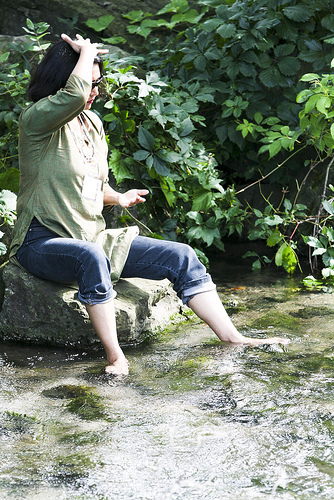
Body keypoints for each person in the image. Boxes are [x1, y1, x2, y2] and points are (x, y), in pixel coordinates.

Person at [9, 34, 288, 376]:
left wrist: (117, 197)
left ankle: (233, 338)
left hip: (90, 236)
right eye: (89, 82)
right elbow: (76, 93)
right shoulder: (36, 120)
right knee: (91, 257)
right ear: (64, 80)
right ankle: (116, 357)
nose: (95, 91)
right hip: (41, 241)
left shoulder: (92, 123)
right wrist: (86, 53)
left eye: (100, 83)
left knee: (181, 256)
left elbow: (90, 185)